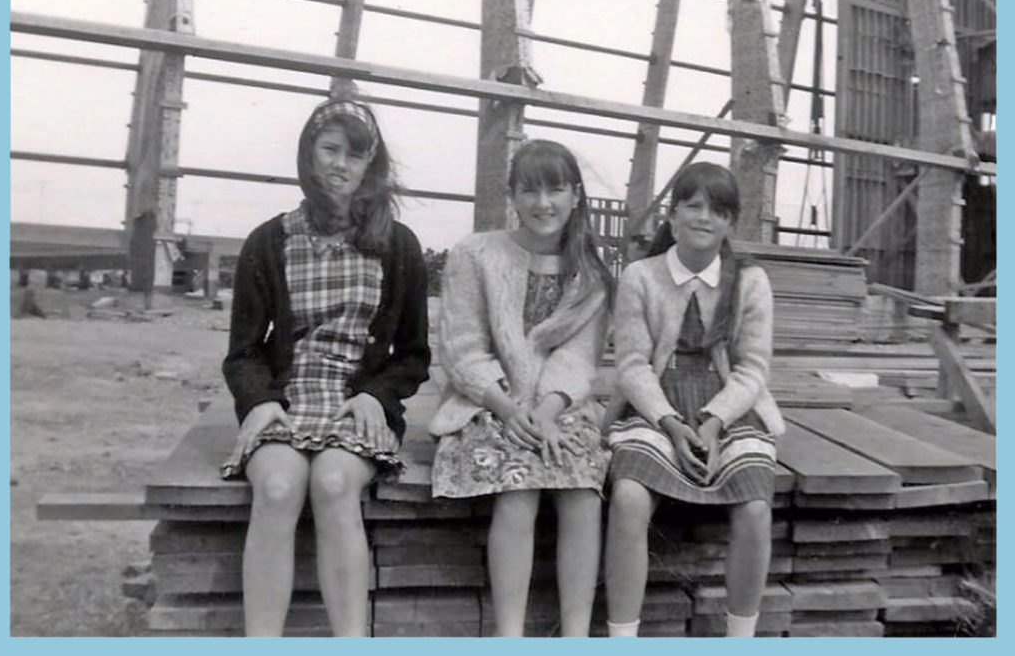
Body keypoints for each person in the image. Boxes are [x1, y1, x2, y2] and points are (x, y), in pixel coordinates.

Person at [220, 88, 430, 636]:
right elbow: (243, 350)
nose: (341, 165)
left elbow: (413, 354)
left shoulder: (398, 245)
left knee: (336, 484)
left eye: (355, 155)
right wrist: (258, 401)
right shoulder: (269, 242)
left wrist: (376, 397)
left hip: (356, 405)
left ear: (371, 165)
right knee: (277, 487)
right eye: (330, 149)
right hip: (287, 403)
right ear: (309, 153)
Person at [429, 140, 613, 637]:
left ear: (576, 195)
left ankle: (575, 635)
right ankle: (509, 636)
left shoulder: (590, 274)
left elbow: (578, 359)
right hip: (487, 402)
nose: (543, 203)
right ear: (512, 195)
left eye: (556, 189)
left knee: (582, 490)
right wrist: (506, 406)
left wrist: (549, 411)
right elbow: (461, 347)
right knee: (518, 489)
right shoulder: (476, 253)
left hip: (559, 406)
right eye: (529, 190)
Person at [603, 161, 785, 638]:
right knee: (627, 496)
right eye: (694, 206)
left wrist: (711, 424)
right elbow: (633, 365)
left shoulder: (749, 281)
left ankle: (740, 639)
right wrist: (670, 423)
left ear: (730, 223)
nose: (704, 218)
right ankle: (622, 638)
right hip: (655, 406)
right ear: (673, 213)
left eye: (718, 210)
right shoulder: (641, 277)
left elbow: (751, 370)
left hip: (730, 409)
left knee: (754, 506)